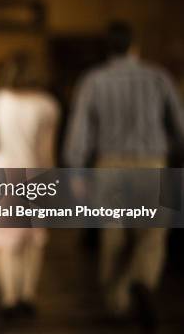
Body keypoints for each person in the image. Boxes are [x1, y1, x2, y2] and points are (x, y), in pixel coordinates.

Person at [64, 21, 184, 330]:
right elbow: (179, 125)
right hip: (153, 165)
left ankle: (118, 304)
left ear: (108, 48)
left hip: (109, 167)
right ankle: (142, 280)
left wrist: (76, 170)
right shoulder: (158, 77)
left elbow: (80, 131)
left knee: (113, 235)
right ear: (134, 46)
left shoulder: (93, 80)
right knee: (152, 235)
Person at [0, 51, 60, 320]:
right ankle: (27, 296)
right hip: (36, 173)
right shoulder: (48, 104)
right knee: (33, 242)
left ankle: (8, 299)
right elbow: (48, 150)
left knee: (5, 243)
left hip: (0, 172)